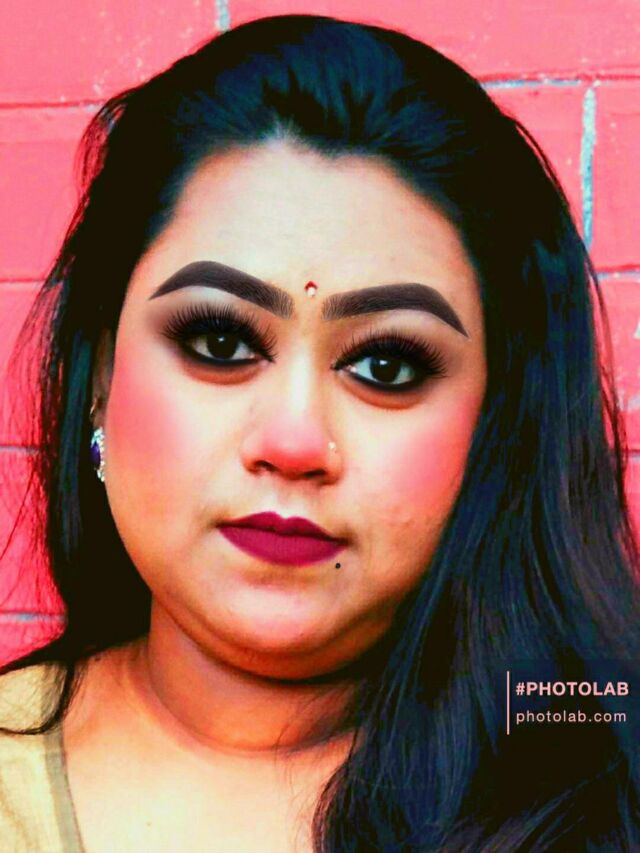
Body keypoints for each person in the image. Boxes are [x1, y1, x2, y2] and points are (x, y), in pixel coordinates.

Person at [0, 13, 639, 852]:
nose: (294, 441)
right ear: (99, 385)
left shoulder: (600, 788)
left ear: (494, 424)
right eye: (220, 342)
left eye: (386, 366)